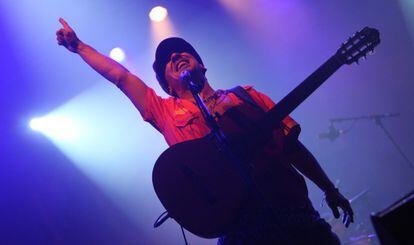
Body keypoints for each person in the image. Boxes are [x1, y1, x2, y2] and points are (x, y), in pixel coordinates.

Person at [56, 18, 353, 244]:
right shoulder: (164, 111)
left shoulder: (246, 95)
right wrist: (79, 47)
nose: (175, 56)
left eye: (183, 53)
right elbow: (120, 76)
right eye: (168, 61)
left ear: (202, 65)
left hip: (295, 215)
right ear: (167, 84)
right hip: (240, 230)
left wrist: (329, 188)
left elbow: (292, 148)